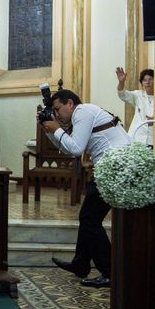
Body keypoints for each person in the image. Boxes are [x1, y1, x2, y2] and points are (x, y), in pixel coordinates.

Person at [42, 89, 131, 288]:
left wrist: (56, 128)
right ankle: (80, 264)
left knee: (89, 219)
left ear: (70, 104)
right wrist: (50, 130)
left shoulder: (83, 111)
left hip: (114, 166)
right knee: (88, 217)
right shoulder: (82, 115)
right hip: (109, 166)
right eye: (54, 111)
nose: (57, 114)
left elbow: (75, 149)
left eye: (58, 109)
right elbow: (68, 148)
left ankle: (110, 271)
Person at [115, 67, 155, 146]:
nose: (148, 82)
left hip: (153, 139)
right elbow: (122, 94)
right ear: (142, 84)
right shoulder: (138, 95)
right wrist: (121, 82)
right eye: (144, 80)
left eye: (150, 79)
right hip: (137, 137)